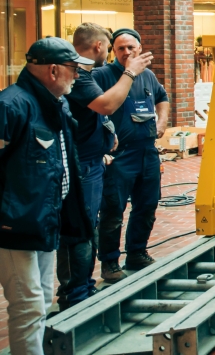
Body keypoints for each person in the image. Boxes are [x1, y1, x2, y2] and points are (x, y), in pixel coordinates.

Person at [0, 39, 93, 355]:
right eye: (74, 69)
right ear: (54, 70)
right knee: (28, 304)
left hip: (43, 220)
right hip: (17, 226)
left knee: (39, 299)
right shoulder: (12, 105)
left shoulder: (56, 105)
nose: (77, 77)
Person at [56, 24, 152, 308]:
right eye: (113, 46)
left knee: (86, 226)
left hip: (92, 161)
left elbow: (94, 116)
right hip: (82, 166)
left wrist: (105, 136)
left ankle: (81, 288)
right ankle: (76, 292)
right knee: (82, 228)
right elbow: (106, 105)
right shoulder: (85, 75)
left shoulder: (83, 75)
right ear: (100, 46)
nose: (115, 52)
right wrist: (131, 72)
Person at [95, 28, 170, 282]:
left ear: (140, 48)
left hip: (147, 151)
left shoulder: (148, 75)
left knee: (147, 204)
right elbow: (96, 107)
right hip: (119, 155)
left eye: (131, 47)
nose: (126, 52)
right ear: (112, 51)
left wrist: (162, 122)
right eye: (120, 48)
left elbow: (162, 98)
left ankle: (137, 252)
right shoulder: (102, 75)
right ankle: (109, 262)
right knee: (113, 209)